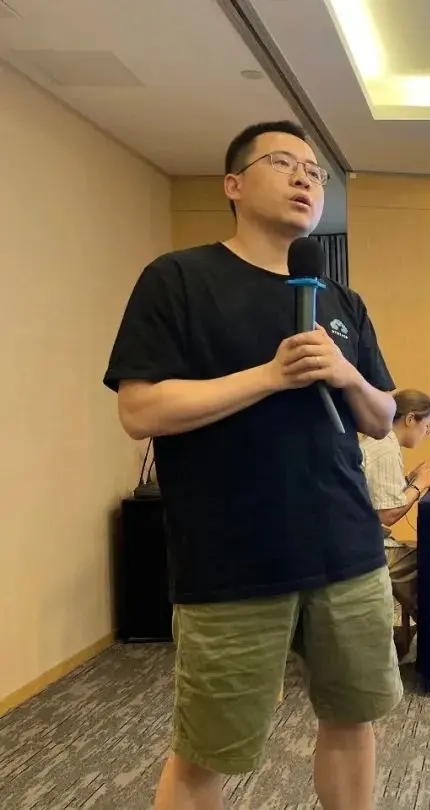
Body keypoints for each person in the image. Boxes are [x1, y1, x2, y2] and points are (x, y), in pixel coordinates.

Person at [103, 120, 400, 810]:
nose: (304, 179)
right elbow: (139, 410)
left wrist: (347, 375)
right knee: (209, 751)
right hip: (231, 559)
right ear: (233, 185)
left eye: (315, 172)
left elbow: (383, 417)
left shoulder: (342, 302)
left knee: (353, 721)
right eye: (283, 163)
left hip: (347, 550)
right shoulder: (179, 278)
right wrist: (269, 376)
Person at [358, 389, 430, 655]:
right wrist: (420, 485)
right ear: (410, 419)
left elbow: (381, 497)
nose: (426, 433)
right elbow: (388, 514)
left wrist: (410, 481)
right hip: (365, 544)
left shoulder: (380, 441)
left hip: (363, 533)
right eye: (427, 427)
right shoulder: (385, 448)